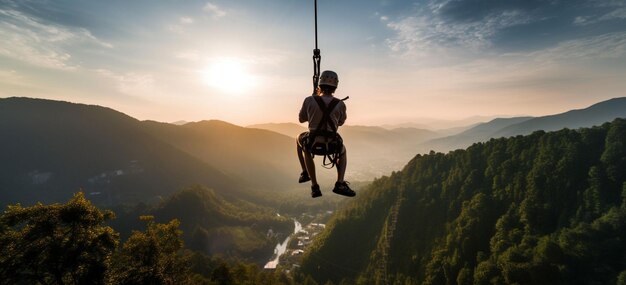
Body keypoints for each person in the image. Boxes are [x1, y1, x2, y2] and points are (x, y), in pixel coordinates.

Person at [296, 70, 355, 198]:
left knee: (300, 142)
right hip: (331, 145)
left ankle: (310, 179)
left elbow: (301, 119)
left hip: (313, 143)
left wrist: (313, 105)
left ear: (320, 85)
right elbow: (341, 122)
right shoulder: (340, 104)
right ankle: (340, 182)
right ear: (335, 87)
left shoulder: (309, 100)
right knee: (343, 150)